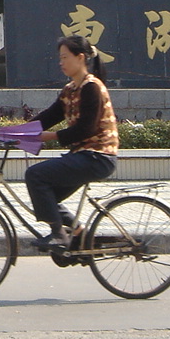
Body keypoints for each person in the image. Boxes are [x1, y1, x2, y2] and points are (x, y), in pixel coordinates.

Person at [23, 34, 119, 251]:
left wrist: (51, 136)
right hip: (83, 155)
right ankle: (80, 236)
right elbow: (49, 117)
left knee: (36, 175)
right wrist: (16, 133)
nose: (61, 62)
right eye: (60, 58)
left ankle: (59, 235)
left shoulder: (92, 87)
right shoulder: (70, 90)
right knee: (45, 199)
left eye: (65, 57)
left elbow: (86, 129)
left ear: (80, 57)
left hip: (98, 156)